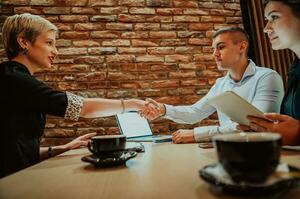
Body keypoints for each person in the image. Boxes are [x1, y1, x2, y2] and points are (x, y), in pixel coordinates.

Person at [0, 13, 145, 178]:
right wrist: (131, 104)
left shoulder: (14, 77)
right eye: (49, 43)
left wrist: (58, 149)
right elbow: (82, 108)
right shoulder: (12, 79)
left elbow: (14, 148)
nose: (55, 51)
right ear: (24, 41)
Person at [140, 27, 284, 144]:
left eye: (220, 47)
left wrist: (197, 134)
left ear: (242, 46)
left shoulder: (267, 77)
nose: (215, 54)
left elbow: (257, 126)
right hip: (228, 152)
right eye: (213, 49)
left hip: (262, 154)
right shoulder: (220, 84)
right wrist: (163, 109)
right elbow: (195, 112)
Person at [238, 0, 300, 145]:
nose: (266, 28)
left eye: (274, 17)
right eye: (267, 20)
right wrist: (270, 128)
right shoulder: (295, 70)